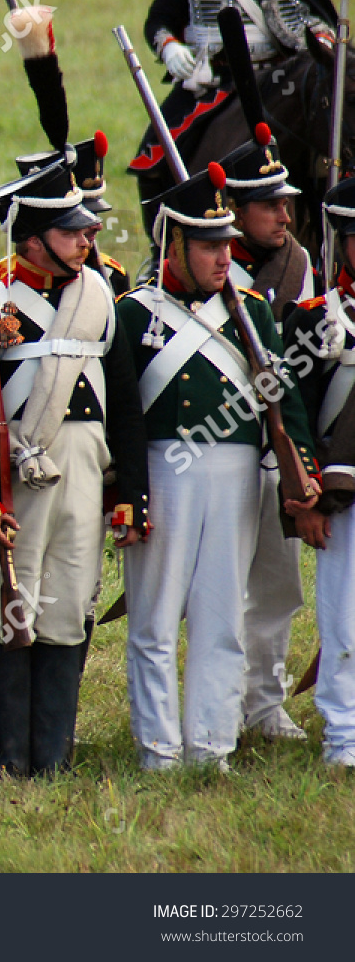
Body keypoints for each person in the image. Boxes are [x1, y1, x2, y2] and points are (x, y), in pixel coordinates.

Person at [116, 162, 320, 771]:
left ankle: (211, 745)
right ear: (173, 245)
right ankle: (159, 748)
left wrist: (302, 472)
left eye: (225, 246)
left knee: (221, 613)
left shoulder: (253, 311)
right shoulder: (135, 313)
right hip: (161, 469)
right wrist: (124, 492)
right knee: (153, 618)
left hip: (235, 472)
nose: (220, 258)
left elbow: (287, 400)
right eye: (207, 247)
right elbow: (121, 414)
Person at [0, 158, 150, 776]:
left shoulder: (100, 294)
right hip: (17, 477)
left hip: (86, 470)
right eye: (73, 232)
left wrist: (133, 494)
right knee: (13, 607)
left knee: (68, 606)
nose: (87, 240)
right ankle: (5, 754)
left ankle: (52, 754)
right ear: (34, 238)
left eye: (87, 232)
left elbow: (124, 402)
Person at [132, 0, 336, 204]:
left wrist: (322, 42)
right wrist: (169, 47)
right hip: (217, 83)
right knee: (153, 159)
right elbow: (159, 21)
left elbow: (321, 22)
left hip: (282, 81)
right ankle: (164, 246)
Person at [217, 126, 316, 742]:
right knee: (219, 584)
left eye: (286, 203)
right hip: (217, 446)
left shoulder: (297, 264)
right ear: (234, 212)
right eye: (270, 205)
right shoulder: (188, 262)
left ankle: (264, 700)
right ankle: (217, 699)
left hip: (279, 444)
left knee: (278, 584)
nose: (285, 214)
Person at [285, 176, 355, 767]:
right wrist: (306, 494)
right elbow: (297, 414)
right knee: (344, 620)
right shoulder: (314, 319)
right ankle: (344, 736)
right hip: (341, 492)